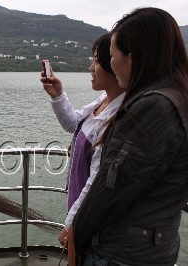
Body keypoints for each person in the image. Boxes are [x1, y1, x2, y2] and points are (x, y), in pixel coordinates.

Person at [72, 7, 188, 265]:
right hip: (151, 245)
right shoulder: (176, 98)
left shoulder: (153, 108)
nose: (111, 63)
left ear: (132, 57)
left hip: (122, 252)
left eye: (112, 55)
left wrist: (77, 232)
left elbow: (112, 187)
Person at [40, 33, 125, 246]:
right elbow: (73, 123)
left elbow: (96, 179)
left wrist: (71, 224)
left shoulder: (118, 116)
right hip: (80, 205)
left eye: (96, 60)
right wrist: (57, 94)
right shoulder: (104, 101)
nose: (90, 67)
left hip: (90, 215)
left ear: (114, 64)